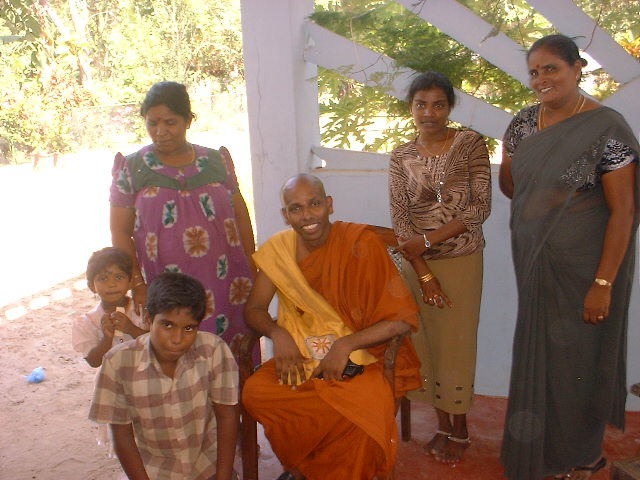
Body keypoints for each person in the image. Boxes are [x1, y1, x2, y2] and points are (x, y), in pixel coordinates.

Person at [499, 34, 639, 480]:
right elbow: (511, 183)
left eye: (551, 69)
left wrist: (603, 284)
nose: (542, 79)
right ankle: (542, 455)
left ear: (578, 68)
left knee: (578, 360)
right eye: (535, 71)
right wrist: (544, 205)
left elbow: (624, 211)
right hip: (534, 260)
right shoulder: (522, 124)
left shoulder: (607, 128)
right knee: (540, 355)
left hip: (585, 268)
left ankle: (583, 454)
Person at [242, 174, 421, 480]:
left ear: (329, 205)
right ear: (286, 215)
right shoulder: (279, 252)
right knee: (256, 393)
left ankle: (309, 470)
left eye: (314, 204)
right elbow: (254, 309)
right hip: (303, 357)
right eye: (296, 209)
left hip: (364, 358)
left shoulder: (360, 244)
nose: (307, 215)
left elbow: (400, 319)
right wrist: (278, 333)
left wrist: (345, 344)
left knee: (360, 410)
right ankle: (311, 466)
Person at [388, 71, 491, 464]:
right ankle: (443, 424)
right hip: (417, 266)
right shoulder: (401, 156)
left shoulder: (468, 144)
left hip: (462, 260)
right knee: (426, 345)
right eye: (421, 104)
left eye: (438, 104)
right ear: (410, 107)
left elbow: (479, 208)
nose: (429, 113)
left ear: (449, 107)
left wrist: (430, 241)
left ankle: (461, 429)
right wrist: (424, 271)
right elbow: (400, 219)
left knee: (456, 345)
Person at [110, 81, 255, 346]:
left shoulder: (217, 162)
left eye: (170, 122)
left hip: (226, 283)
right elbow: (119, 231)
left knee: (228, 353)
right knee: (175, 350)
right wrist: (138, 285)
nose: (160, 131)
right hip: (167, 284)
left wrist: (254, 266)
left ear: (188, 120)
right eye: (152, 123)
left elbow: (241, 218)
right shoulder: (132, 168)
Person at [89, 272, 240, 480]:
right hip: (154, 471)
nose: (177, 339)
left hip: (207, 464)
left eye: (189, 328)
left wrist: (223, 477)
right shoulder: (118, 363)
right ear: (148, 318)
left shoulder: (213, 350)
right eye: (167, 325)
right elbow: (122, 437)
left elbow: (227, 415)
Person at [72, 247, 148, 368]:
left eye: (119, 277)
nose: (112, 284)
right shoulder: (88, 322)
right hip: (112, 382)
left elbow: (158, 344)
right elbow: (93, 362)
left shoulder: (143, 310)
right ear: (92, 286)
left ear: (130, 282)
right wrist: (107, 339)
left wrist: (132, 329)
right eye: (103, 279)